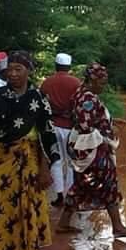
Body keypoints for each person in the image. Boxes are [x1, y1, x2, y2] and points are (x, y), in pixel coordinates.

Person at [0, 51, 59, 250]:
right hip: (0, 161)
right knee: (0, 211)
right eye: (9, 69)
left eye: (18, 69)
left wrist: (45, 168)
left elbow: (46, 134)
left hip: (28, 163)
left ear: (29, 71)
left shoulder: (38, 100)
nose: (12, 74)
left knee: (23, 209)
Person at [57, 62, 126, 238]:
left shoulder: (82, 94)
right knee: (108, 183)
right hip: (92, 150)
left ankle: (63, 223)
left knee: (81, 185)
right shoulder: (87, 98)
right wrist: (107, 135)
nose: (103, 87)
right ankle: (118, 227)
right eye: (101, 83)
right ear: (92, 81)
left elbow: (93, 118)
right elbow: (85, 126)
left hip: (86, 148)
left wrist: (111, 121)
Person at [41, 53, 80, 209]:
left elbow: (41, 104)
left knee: (56, 161)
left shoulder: (46, 83)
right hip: (70, 128)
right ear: (69, 67)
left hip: (51, 127)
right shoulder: (76, 83)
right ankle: (70, 195)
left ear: (56, 65)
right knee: (71, 163)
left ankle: (59, 196)